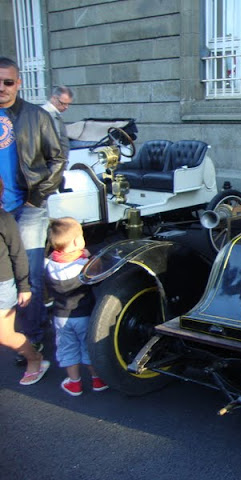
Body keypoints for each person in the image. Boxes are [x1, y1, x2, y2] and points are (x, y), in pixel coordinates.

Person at [0, 57, 66, 362]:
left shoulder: (36, 115)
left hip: (28, 205)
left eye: (8, 82)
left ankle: (32, 337)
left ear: (18, 83)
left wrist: (38, 196)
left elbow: (57, 158)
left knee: (28, 273)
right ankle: (10, 329)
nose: (2, 88)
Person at [45, 217, 108, 396]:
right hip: (84, 315)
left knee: (67, 348)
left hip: (61, 317)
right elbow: (98, 278)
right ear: (76, 241)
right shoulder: (84, 267)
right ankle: (97, 380)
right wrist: (91, 259)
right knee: (87, 347)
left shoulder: (49, 265)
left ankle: (74, 383)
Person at [0, 177, 51, 385]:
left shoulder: (4, 220)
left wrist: (24, 286)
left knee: (5, 336)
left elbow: (18, 255)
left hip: (2, 285)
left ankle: (35, 359)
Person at [42, 86, 74, 160]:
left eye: (68, 104)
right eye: (63, 103)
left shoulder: (54, 114)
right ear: (54, 98)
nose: (66, 107)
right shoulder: (47, 114)